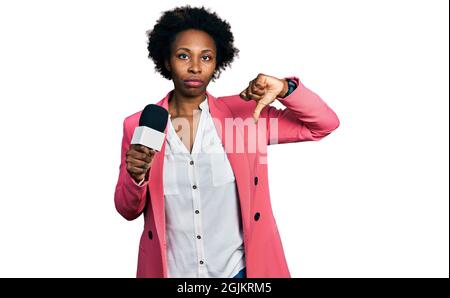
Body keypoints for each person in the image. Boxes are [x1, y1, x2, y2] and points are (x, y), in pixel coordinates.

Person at [114, 5, 339, 278]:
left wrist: (284, 89)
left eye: (206, 57)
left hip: (239, 273)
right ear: (166, 61)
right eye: (183, 56)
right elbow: (127, 209)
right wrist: (135, 176)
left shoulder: (246, 116)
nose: (195, 67)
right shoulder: (139, 124)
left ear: (217, 62)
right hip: (173, 272)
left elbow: (323, 125)